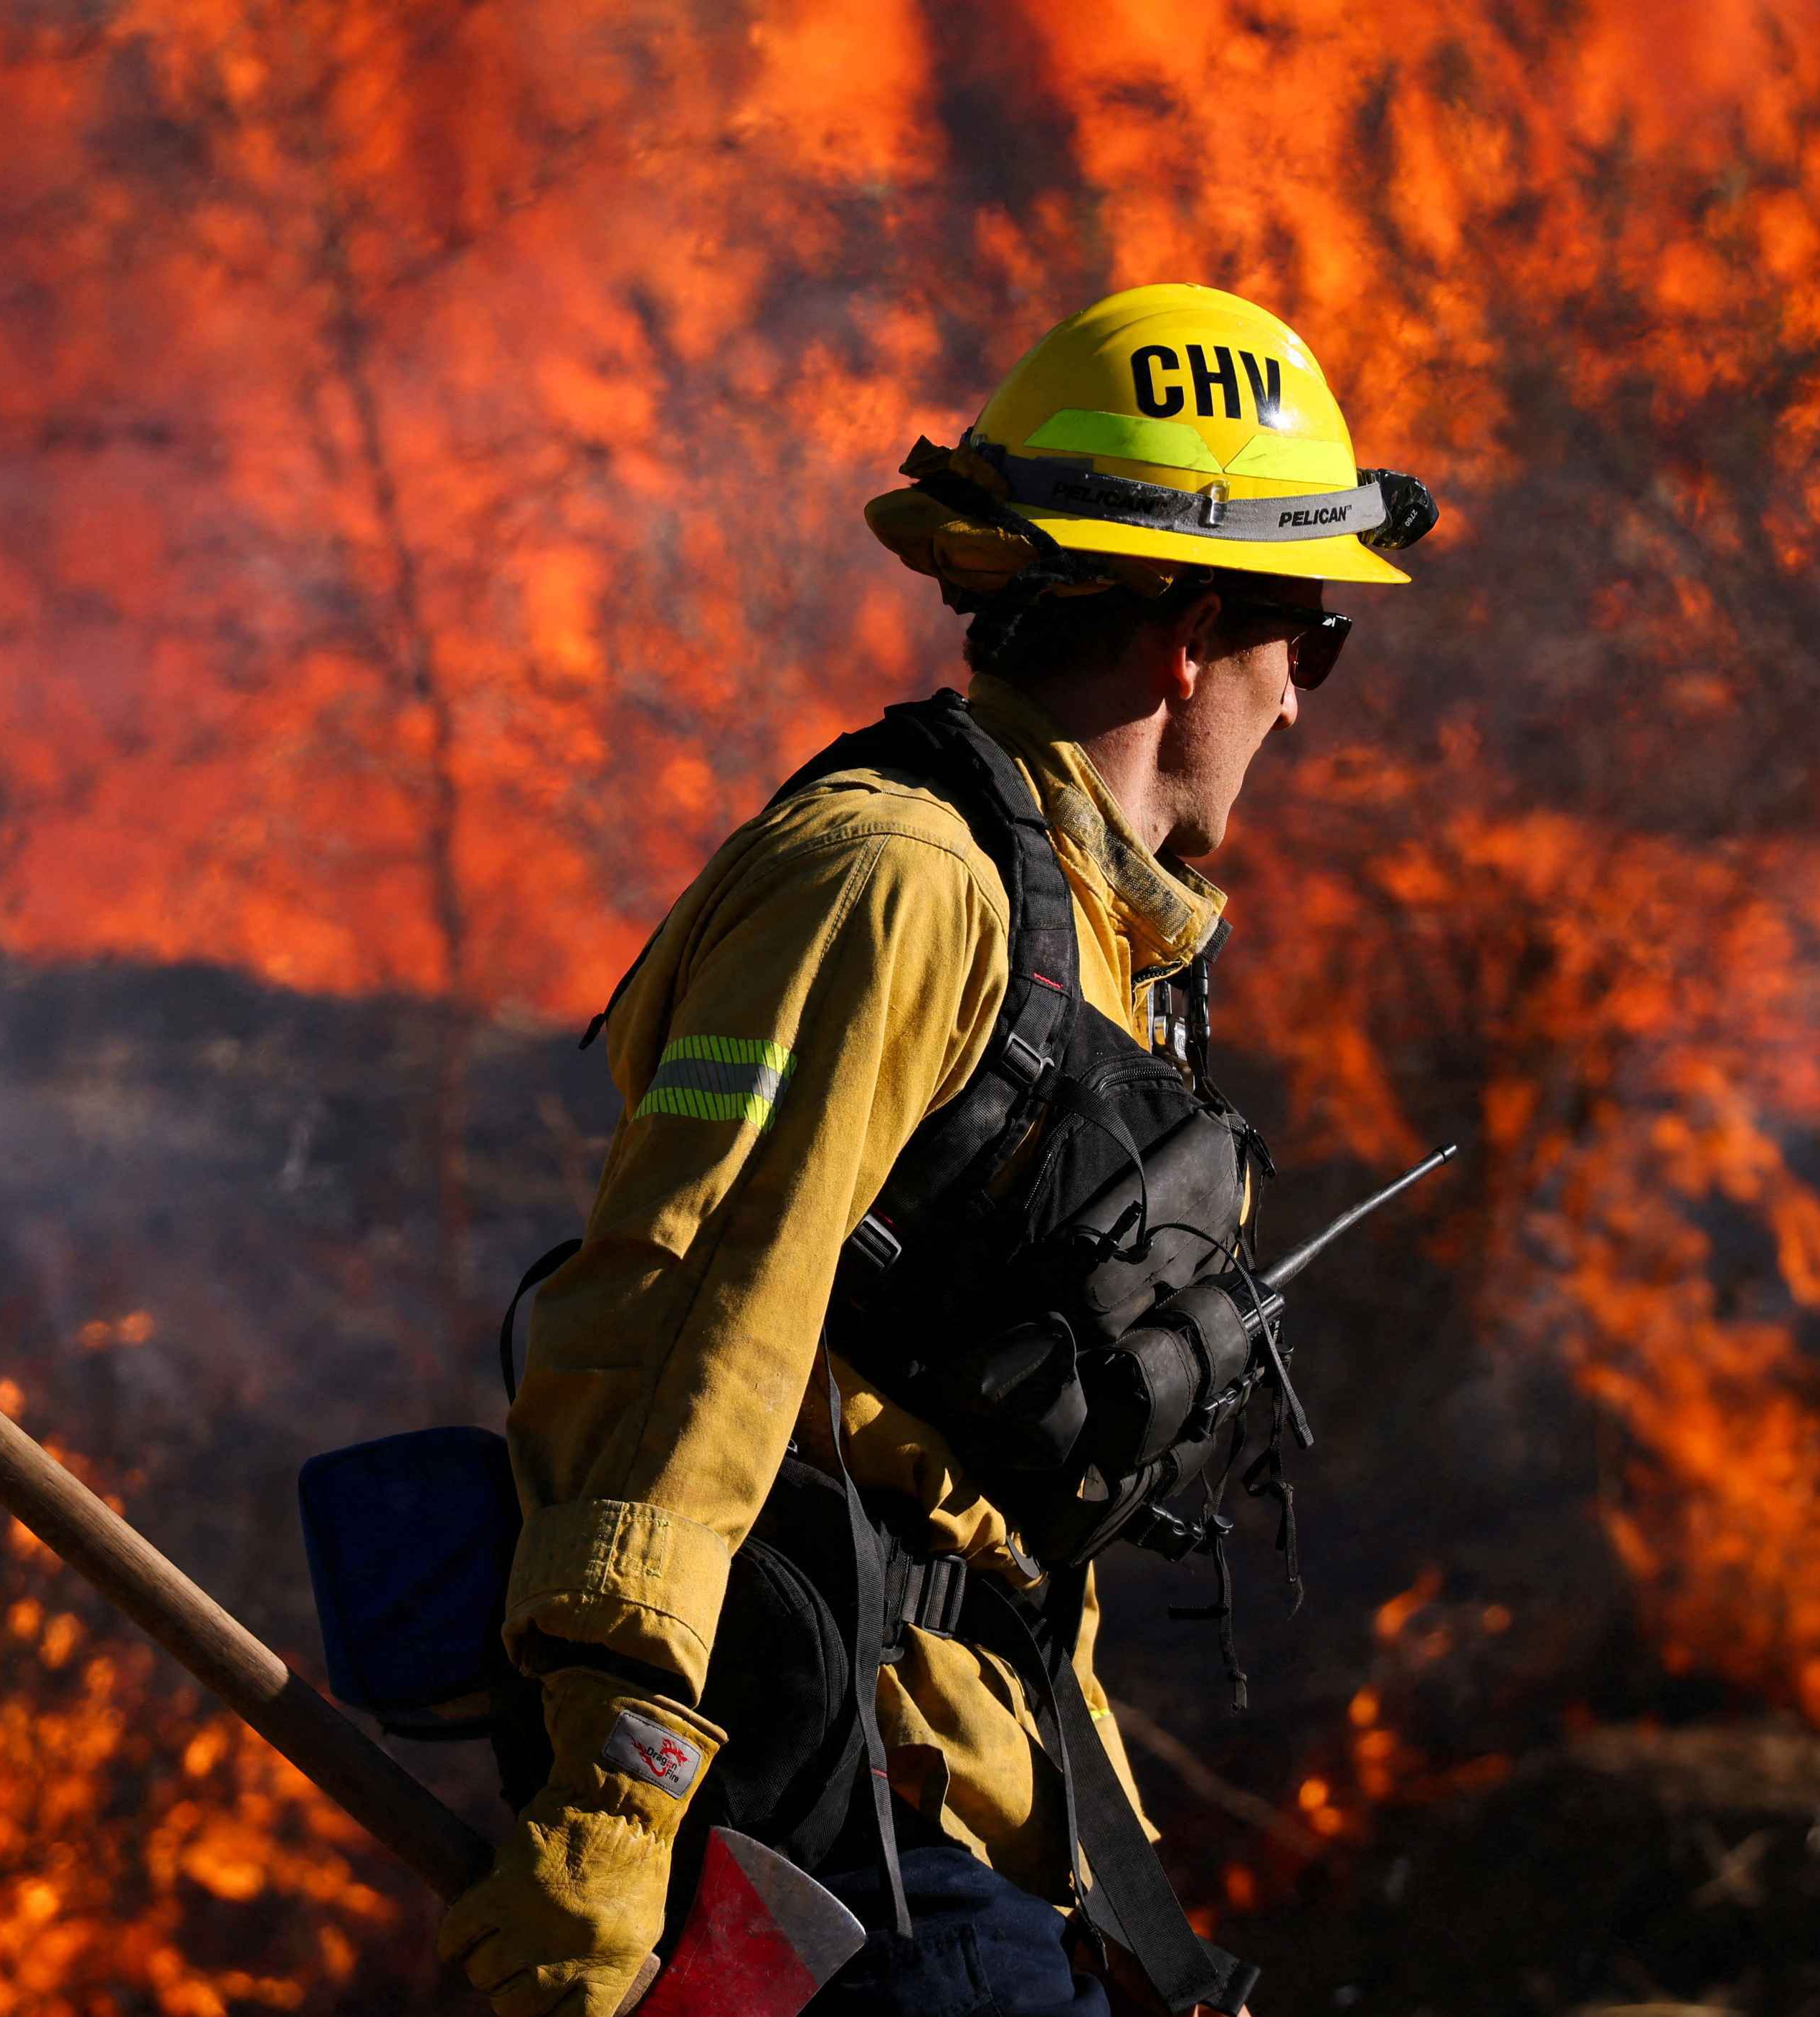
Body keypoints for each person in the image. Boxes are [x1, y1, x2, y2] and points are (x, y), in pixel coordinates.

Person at [439, 283, 1438, 2017]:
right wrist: (611, 1813)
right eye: (1314, 642)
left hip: (974, 1809)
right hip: (832, 1833)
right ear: (1195, 629)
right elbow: (683, 1338)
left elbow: (988, 1514)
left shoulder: (1092, 942)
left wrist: (1120, 1891)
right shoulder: (895, 884)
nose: (1298, 707)